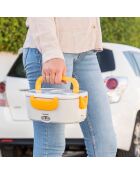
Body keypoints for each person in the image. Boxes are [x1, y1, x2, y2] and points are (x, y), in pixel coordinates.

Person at [23, 17, 117, 157]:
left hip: (87, 51)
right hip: (52, 51)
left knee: (105, 142)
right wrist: (51, 53)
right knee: (51, 146)